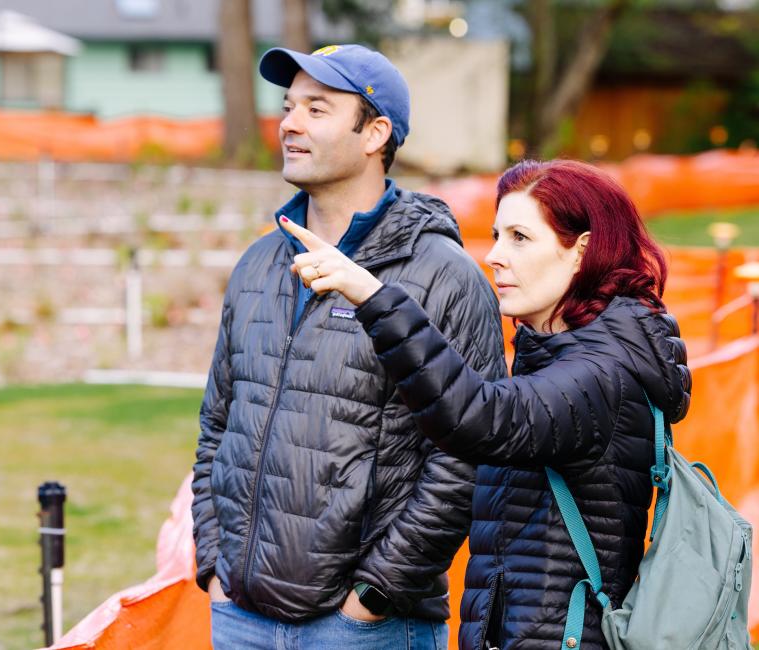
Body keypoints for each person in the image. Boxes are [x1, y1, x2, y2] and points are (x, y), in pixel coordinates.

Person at [282, 158, 692, 650]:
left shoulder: (601, 373)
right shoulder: (562, 353)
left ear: (581, 251)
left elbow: (479, 416)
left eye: (520, 237)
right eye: (497, 235)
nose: (495, 255)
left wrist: (374, 297)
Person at [191, 44, 507, 649]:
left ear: (375, 133)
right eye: (288, 107)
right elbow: (216, 426)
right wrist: (215, 567)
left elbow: (467, 456)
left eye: (317, 108)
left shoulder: (445, 276)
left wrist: (374, 597)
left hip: (365, 628)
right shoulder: (258, 264)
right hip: (239, 615)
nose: (289, 123)